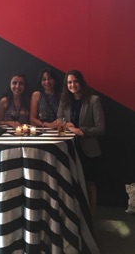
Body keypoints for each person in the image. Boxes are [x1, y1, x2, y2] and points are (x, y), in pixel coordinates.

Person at [57, 69, 105, 216]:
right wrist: (66, 126)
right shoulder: (64, 100)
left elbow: (100, 129)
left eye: (75, 81)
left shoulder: (93, 100)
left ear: (81, 82)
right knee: (72, 183)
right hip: (69, 149)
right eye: (69, 82)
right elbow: (59, 120)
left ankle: (91, 216)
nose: (73, 85)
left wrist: (79, 130)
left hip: (88, 150)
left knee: (90, 184)